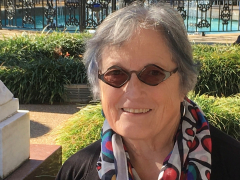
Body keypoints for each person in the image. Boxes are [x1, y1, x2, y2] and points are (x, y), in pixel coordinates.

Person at [56, 2, 240, 180]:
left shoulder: (233, 165)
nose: (133, 92)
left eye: (153, 73)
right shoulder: (75, 173)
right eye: (116, 74)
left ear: (183, 83)